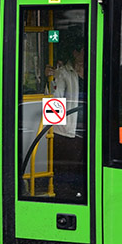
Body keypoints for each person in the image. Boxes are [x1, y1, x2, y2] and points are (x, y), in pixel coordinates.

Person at [51, 43, 87, 201]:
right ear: (75, 52)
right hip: (68, 131)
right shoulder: (63, 73)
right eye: (83, 50)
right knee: (68, 169)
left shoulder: (93, 69)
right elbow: (55, 100)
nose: (86, 54)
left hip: (87, 127)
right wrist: (60, 127)